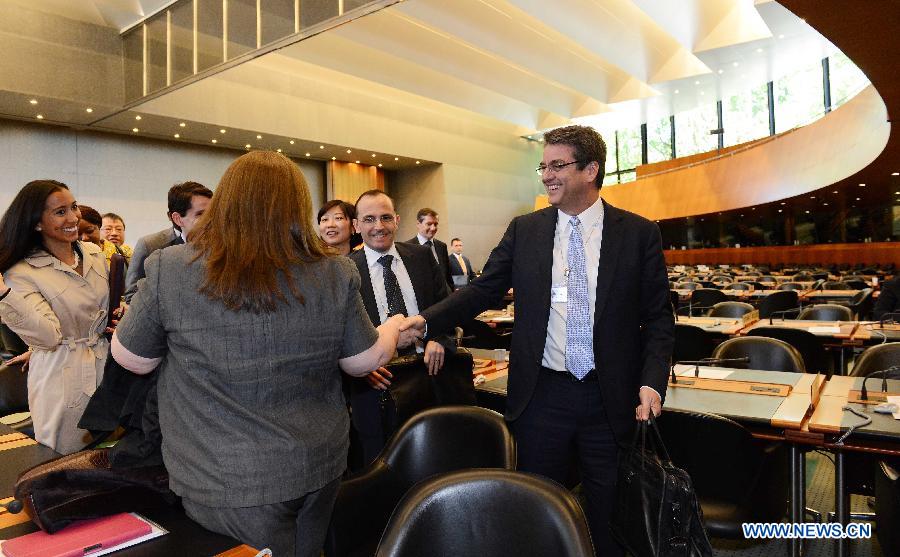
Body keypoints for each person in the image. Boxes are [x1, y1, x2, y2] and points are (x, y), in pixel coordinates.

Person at [111, 151, 407, 557]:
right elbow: (361, 362)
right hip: (318, 463)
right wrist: (391, 328)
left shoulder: (172, 268)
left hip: (224, 476)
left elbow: (132, 358)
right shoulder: (333, 270)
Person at [401, 125, 674, 556]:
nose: (546, 175)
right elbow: (482, 289)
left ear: (590, 170)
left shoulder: (638, 233)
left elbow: (659, 318)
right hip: (542, 396)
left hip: (612, 399)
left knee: (609, 518)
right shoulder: (525, 230)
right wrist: (423, 320)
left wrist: (652, 380)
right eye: (543, 165)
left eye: (557, 165)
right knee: (535, 509)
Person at [0, 180, 110, 454]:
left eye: (73, 207)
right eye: (60, 212)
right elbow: (48, 336)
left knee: (111, 463)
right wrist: (3, 295)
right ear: (37, 223)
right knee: (64, 465)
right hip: (61, 378)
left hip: (108, 371)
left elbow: (104, 309)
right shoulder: (21, 273)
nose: (74, 218)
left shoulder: (96, 254)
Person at [349, 191, 454, 464]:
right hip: (374, 389)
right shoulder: (345, 270)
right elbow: (339, 335)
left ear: (396, 221)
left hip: (427, 380)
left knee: (431, 462)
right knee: (380, 469)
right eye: (369, 219)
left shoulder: (421, 257)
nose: (378, 226)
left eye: (385, 218)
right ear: (356, 226)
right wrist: (362, 367)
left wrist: (438, 338)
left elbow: (446, 308)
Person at [124, 181, 212, 301]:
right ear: (177, 218)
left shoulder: (221, 248)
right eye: (200, 214)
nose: (210, 220)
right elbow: (132, 294)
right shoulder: (151, 246)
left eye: (212, 213)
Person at [405, 208, 453, 288]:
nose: (433, 228)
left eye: (436, 224)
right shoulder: (407, 248)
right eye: (429, 224)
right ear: (418, 224)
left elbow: (447, 276)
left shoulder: (442, 246)